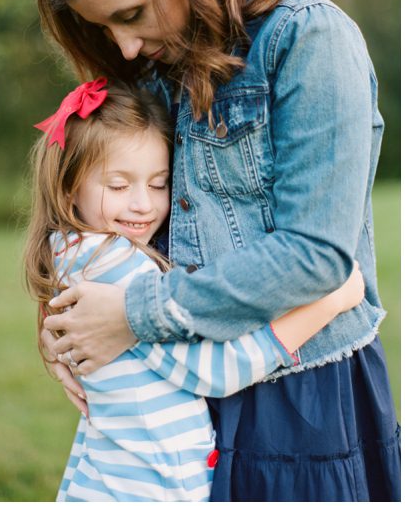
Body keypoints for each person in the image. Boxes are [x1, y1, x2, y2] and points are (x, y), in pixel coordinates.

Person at [35, 0, 399, 501]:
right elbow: (114, 212)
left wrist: (132, 316)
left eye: (130, 15)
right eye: (105, 28)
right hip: (184, 389)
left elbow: (316, 255)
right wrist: (61, 321)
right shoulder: (154, 68)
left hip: (300, 391)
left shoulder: (308, 37)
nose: (122, 47)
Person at [25, 79, 365, 501]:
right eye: (118, 185)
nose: (143, 204)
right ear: (68, 187)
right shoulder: (112, 263)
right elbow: (216, 370)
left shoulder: (73, 250)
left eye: (159, 183)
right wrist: (330, 301)